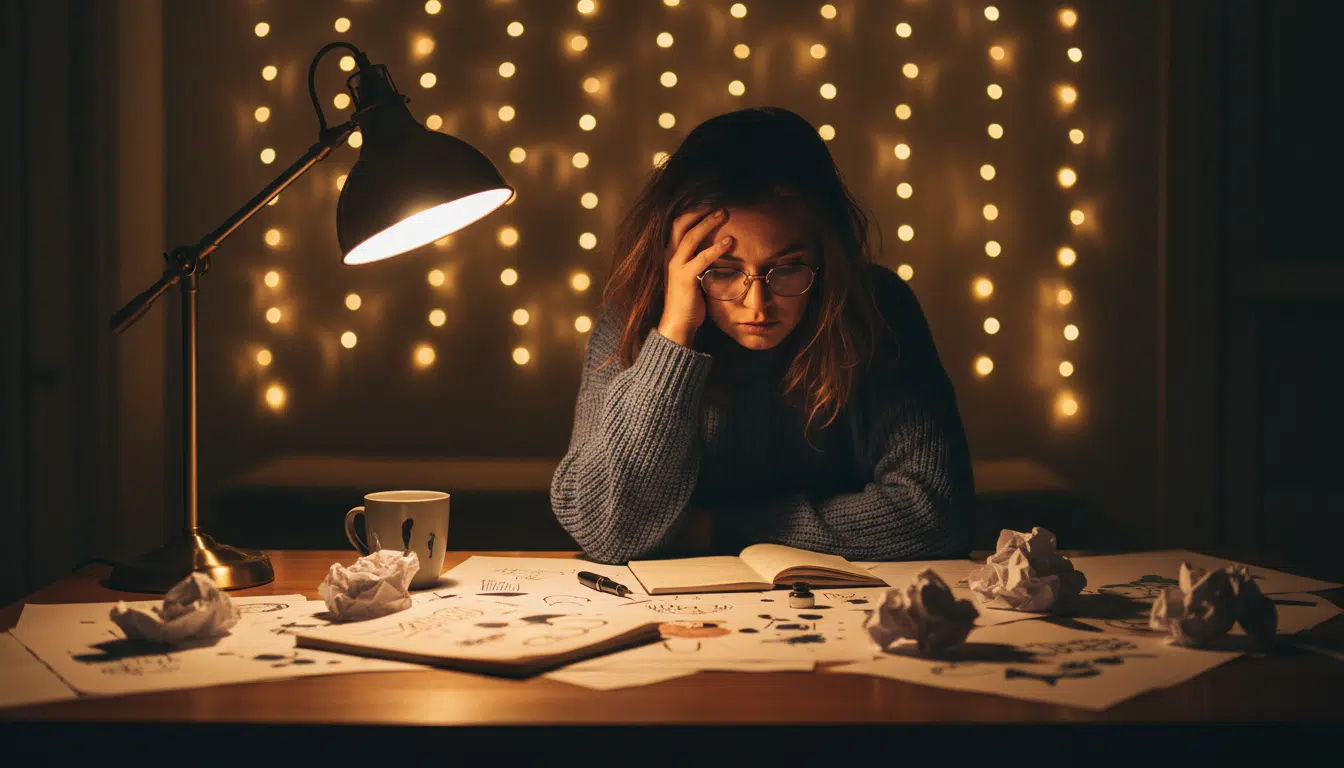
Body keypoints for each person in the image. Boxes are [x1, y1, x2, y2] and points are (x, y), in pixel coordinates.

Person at [550, 107, 974, 565]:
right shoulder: (634, 316)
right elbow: (608, 532)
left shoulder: (877, 308)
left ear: (827, 258)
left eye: (788, 268)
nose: (758, 305)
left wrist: (715, 530)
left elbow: (935, 514)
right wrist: (673, 339)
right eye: (724, 271)